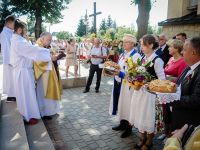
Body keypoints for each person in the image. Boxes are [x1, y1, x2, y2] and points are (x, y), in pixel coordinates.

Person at [10, 20, 52, 124]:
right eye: (25, 29)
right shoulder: (18, 41)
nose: (26, 31)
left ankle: (29, 114)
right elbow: (32, 51)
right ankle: (27, 117)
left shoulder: (19, 39)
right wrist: (46, 51)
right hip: (22, 71)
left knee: (27, 94)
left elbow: (30, 49)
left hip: (24, 70)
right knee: (25, 95)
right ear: (19, 30)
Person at [129, 35, 165, 150]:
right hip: (140, 93)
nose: (141, 47)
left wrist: (148, 83)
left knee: (149, 118)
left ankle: (149, 141)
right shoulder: (143, 58)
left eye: (143, 44)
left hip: (150, 95)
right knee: (141, 116)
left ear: (150, 45)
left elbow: (162, 80)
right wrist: (134, 79)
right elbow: (138, 73)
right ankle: (142, 138)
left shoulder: (157, 60)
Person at [111, 34, 141, 138]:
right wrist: (115, 67)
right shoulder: (123, 53)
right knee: (122, 104)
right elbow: (121, 66)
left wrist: (121, 74)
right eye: (123, 42)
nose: (123, 44)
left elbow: (135, 74)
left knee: (128, 106)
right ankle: (122, 124)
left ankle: (129, 128)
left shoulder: (136, 56)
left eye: (126, 42)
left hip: (129, 86)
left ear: (132, 44)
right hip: (120, 83)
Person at [158, 39, 188, 141]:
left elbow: (181, 80)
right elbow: (165, 71)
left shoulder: (183, 61)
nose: (168, 48)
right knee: (165, 112)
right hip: (165, 90)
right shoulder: (170, 59)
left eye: (170, 47)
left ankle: (171, 135)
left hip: (173, 92)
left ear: (176, 48)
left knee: (172, 114)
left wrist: (167, 78)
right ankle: (165, 132)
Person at [170, 37, 200, 130]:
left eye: (184, 50)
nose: (182, 52)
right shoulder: (189, 67)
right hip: (179, 118)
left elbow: (196, 100)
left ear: (193, 52)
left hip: (188, 124)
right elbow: (179, 85)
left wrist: (172, 98)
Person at [34, 32, 61, 120]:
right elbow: (37, 62)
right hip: (43, 74)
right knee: (44, 92)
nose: (49, 42)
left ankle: (50, 110)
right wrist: (51, 58)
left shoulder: (44, 47)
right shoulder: (37, 47)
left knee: (50, 90)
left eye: (50, 40)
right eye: (48, 40)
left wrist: (53, 57)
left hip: (49, 73)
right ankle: (44, 112)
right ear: (42, 38)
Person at [0, 15, 16, 102]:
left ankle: (13, 94)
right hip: (9, 60)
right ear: (9, 23)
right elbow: (6, 48)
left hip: (12, 59)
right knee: (10, 78)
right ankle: (11, 95)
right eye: (14, 23)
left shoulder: (10, 32)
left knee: (12, 78)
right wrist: (10, 61)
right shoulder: (4, 33)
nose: (15, 25)